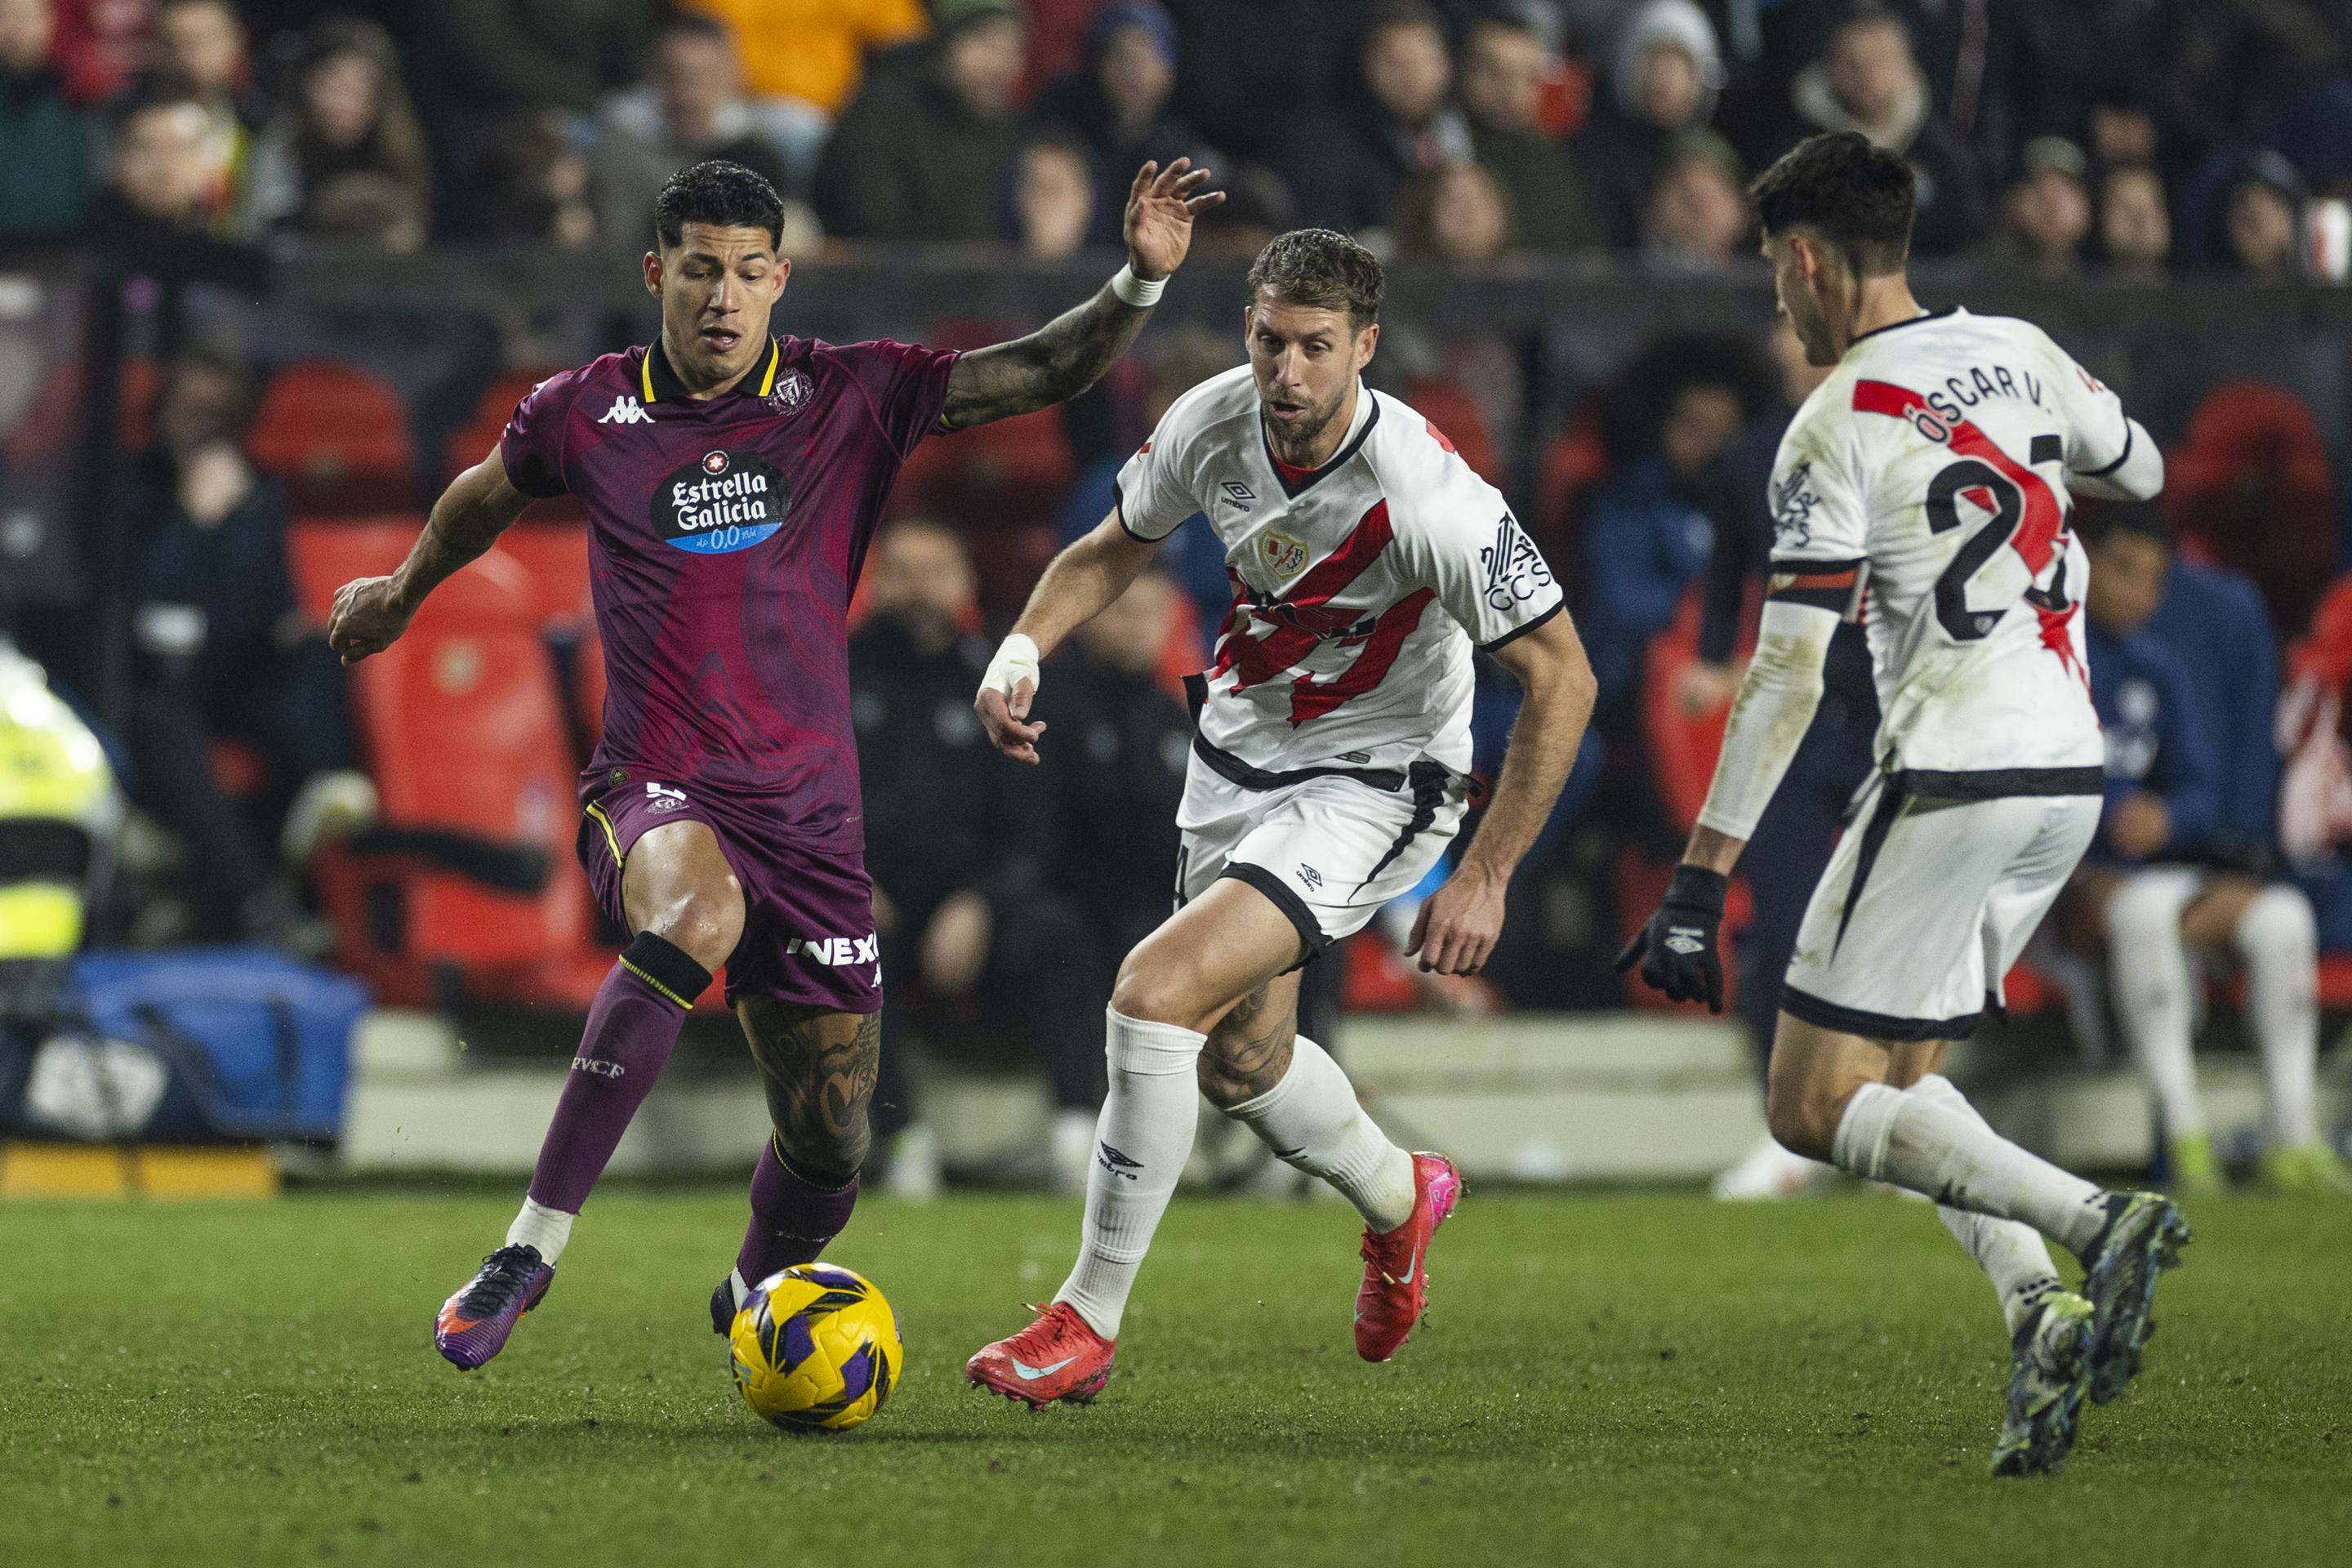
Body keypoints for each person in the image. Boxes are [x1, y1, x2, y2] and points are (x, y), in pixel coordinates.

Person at [326, 155, 1222, 1371]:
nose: (723, 296)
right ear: (656, 274)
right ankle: (529, 1246)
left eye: (749, 272)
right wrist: (399, 592)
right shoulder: (585, 411)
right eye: (699, 269)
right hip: (656, 786)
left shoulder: (848, 397)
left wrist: (1137, 280)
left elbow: (1045, 368)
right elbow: (483, 499)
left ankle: (756, 1282)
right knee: (693, 908)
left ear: (781, 281)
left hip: (810, 822)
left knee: (832, 1141)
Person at [1619, 131, 2184, 1478]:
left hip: (1952, 765)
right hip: (2066, 768)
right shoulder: (2029, 352)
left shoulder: (1832, 426)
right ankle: (2037, 1308)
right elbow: (2146, 473)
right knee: (1906, 1086)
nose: (1778, 305)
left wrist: (1702, 873)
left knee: (1808, 1108)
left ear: (1808, 261)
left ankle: (2098, 1226)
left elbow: (1790, 668)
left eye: (1773, 276)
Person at [963, 227, 1597, 1407]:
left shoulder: (1429, 496)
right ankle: (1407, 1200)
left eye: (1316, 347)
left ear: (1366, 346)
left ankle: (1084, 1321)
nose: (1287, 373)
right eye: (1269, 342)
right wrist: (1018, 650)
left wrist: (1488, 873)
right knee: (1240, 1061)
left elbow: (1564, 679)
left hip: (1379, 779)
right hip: (1237, 753)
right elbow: (1109, 551)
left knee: (1154, 995)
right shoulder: (1213, 421)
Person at [2060, 506, 2350, 1196]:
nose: (2139, 595)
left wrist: (2166, 816)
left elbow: (2199, 788)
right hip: (2071, 882)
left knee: (2284, 919)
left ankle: (2296, 1134)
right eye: (2124, 571)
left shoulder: (2156, 669)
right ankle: (2185, 1134)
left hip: (2164, 876)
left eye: (2154, 580)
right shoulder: (2051, 659)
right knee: (2140, 914)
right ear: (2084, 561)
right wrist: (2104, 817)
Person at [849, 518, 1099, 1199]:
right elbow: (797, 799)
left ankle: (1078, 1134)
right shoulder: (832, 675)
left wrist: (983, 900)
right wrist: (846, 881)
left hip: (976, 905)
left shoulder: (998, 681)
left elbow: (1035, 823)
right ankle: (900, 1139)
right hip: (865, 898)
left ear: (965, 583)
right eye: (901, 571)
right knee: (839, 949)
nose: (918, 588)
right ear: (874, 582)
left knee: (1066, 935)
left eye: (936, 571)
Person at [1686, 318, 1875, 1202]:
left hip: (1886, 710)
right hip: (1796, 713)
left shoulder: (1895, 439)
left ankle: (1897, 1122)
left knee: (1894, 931)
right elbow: (1729, 574)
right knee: (1784, 926)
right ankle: (1791, 1128)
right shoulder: (1751, 457)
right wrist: (1715, 655)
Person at [117, 352, 376, 952]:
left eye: (211, 413)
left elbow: (266, 604)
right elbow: (140, 597)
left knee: (318, 655)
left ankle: (328, 788)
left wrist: (230, 520)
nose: (196, 423)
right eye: (185, 407)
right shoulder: (132, 484)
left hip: (226, 666)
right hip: (148, 679)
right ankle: (258, 901)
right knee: (160, 719)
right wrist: (195, 518)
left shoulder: (256, 488)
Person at [813, 0, 1027, 243]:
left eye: (1011, 51)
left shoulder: (1008, 131)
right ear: (946, 44)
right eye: (985, 45)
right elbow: (870, 220)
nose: (998, 64)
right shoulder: (883, 111)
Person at [1786, 5, 1984, 257]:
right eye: (1852, 62)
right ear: (1830, 69)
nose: (1868, 74)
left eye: (1883, 59)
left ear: (1909, 68)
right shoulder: (1796, 155)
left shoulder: (1943, 155)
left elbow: (1969, 226)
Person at [1030, 1, 1217, 252]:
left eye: (1151, 56)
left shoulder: (1190, 160)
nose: (1135, 71)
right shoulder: (1065, 147)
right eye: (1122, 56)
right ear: (1099, 66)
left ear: (1171, 70)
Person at [592, 11, 795, 241]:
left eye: (703, 79)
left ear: (731, 79)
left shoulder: (757, 153)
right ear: (653, 77)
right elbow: (618, 238)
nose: (689, 95)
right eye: (675, 77)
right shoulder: (622, 145)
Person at [1277, 1, 1470, 237]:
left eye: (1425, 59)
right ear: (1365, 65)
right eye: (1394, 62)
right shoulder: (1327, 146)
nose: (1412, 76)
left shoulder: (1467, 136)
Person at [239, 17, 433, 252]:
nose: (344, 104)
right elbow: (265, 233)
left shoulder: (398, 149)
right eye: (333, 87)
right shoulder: (282, 145)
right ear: (305, 83)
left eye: (359, 90)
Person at [1454, 8, 1602, 254]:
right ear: (1463, 72)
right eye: (1494, 73)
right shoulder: (1441, 151)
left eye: (1528, 76)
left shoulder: (1556, 161)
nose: (1511, 90)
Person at [1576, 0, 1722, 249]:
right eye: (1653, 61)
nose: (1665, 79)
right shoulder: (1596, 156)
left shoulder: (1714, 161)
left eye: (1680, 66)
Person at [143, 0, 262, 230]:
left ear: (237, 40)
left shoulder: (261, 124)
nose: (194, 54)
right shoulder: (127, 121)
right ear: (158, 47)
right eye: (179, 42)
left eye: (208, 38)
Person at [0, 0, 98, 237]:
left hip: (67, 246)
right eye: (5, 16)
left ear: (50, 23)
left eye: (28, 17)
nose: (17, 29)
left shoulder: (79, 90)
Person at [1993, 136, 2090, 278]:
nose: (2051, 204)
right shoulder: (1976, 278)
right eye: (2037, 186)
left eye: (2065, 188)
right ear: (2011, 200)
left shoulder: (2103, 279)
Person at [2096, 163, 2170, 280]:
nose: (2138, 221)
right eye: (2125, 209)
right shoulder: (2078, 292)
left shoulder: (2191, 290)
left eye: (2147, 211)